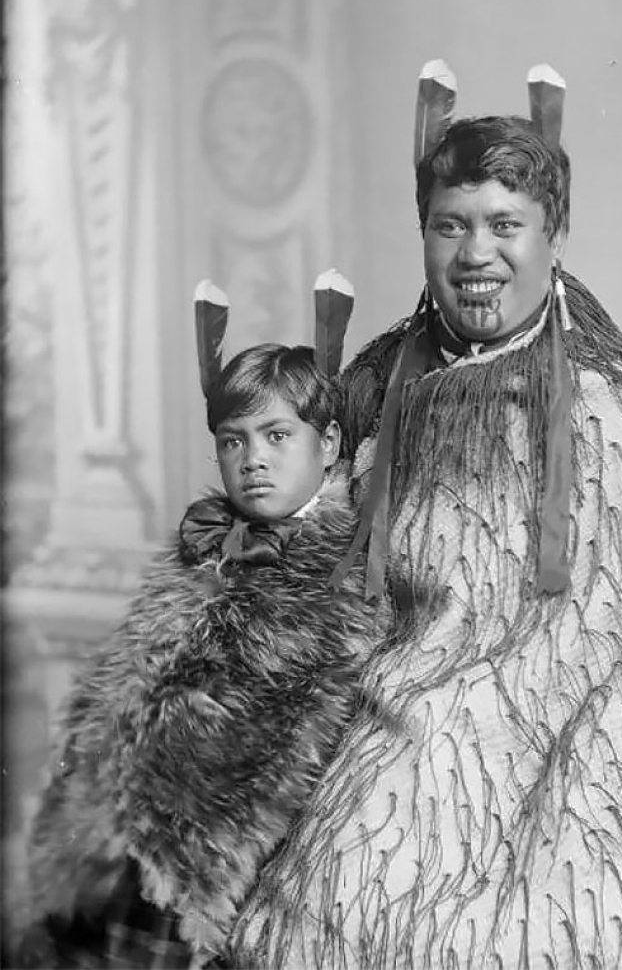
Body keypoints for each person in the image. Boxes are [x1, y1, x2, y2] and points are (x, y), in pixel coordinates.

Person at [224, 65, 622, 969]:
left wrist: (446, 723)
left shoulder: (613, 410)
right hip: (393, 702)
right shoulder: (380, 379)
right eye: (451, 225)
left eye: (503, 227)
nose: (475, 254)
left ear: (551, 237)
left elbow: (610, 637)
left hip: (589, 736)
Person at [15, 280, 388, 968]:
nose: (253, 459)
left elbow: (256, 751)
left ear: (329, 442)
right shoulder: (205, 550)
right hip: (108, 850)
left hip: (196, 874)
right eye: (232, 440)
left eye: (278, 436)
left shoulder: (333, 584)